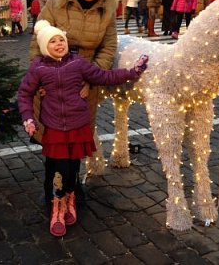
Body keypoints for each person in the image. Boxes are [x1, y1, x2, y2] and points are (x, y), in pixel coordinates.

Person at [19, 20, 149, 237]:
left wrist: (132, 71)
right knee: (59, 170)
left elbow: (104, 76)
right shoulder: (38, 68)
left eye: (61, 39)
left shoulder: (77, 63)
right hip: (55, 129)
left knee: (73, 167)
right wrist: (28, 118)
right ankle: (57, 207)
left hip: (77, 126)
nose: (59, 43)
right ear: (44, 46)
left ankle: (70, 199)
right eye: (53, 41)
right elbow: (24, 93)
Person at [29, 0, 117, 203]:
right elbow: (38, 40)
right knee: (55, 138)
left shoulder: (106, 11)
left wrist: (92, 78)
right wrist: (41, 80)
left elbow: (108, 48)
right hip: (51, 79)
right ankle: (55, 188)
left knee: (77, 138)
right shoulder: (57, 2)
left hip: (83, 85)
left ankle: (73, 185)